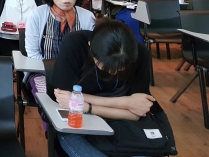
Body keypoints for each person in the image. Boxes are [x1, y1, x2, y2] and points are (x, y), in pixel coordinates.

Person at [51, 19, 154, 157]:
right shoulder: (74, 44)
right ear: (90, 47)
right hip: (78, 126)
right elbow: (63, 99)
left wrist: (86, 106)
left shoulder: (140, 54)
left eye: (121, 67)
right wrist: (126, 102)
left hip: (125, 129)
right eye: (106, 66)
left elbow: (136, 114)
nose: (113, 72)